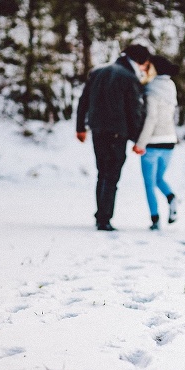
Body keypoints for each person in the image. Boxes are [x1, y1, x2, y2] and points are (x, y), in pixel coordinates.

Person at [76, 44, 151, 231]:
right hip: (118, 133)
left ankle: (100, 214)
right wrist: (138, 139)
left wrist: (80, 127)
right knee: (112, 176)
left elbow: (83, 100)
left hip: (97, 129)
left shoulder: (98, 72)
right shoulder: (129, 78)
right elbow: (134, 111)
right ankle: (104, 218)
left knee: (102, 172)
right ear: (139, 61)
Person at [132, 55, 180, 230]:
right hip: (170, 140)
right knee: (160, 178)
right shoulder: (171, 86)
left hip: (152, 142)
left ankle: (155, 219)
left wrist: (140, 143)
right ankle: (171, 197)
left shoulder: (151, 88)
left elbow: (151, 118)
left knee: (149, 183)